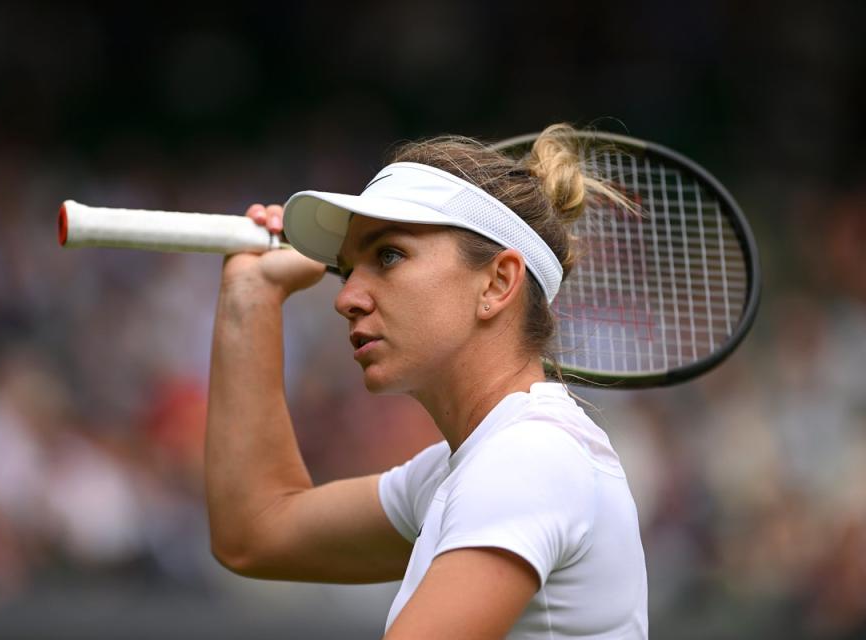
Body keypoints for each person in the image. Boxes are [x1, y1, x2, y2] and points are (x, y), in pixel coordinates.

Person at [205, 124, 648, 639]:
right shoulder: (476, 464)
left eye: (388, 255)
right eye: (348, 271)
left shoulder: (528, 458)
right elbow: (256, 532)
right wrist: (252, 293)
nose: (346, 298)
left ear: (498, 281)